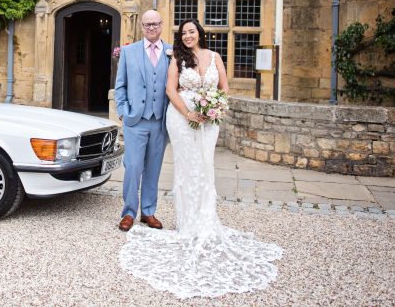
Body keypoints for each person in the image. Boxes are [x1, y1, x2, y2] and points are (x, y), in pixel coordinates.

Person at [119, 18, 283, 299]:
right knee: (142, 167)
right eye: (183, 33)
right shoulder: (147, 53)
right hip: (167, 118)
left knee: (191, 168)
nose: (187, 36)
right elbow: (162, 89)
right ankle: (131, 213)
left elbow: (223, 88)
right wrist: (125, 110)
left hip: (195, 121)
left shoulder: (187, 53)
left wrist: (215, 108)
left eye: (191, 31)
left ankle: (158, 213)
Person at [114, 10, 172, 232]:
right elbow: (121, 85)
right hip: (135, 120)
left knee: (153, 168)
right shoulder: (129, 52)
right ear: (141, 27)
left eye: (155, 24)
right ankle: (129, 212)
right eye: (147, 24)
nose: (151, 28)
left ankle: (148, 211)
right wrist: (122, 111)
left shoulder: (171, 52)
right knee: (133, 167)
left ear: (161, 25)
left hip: (160, 121)